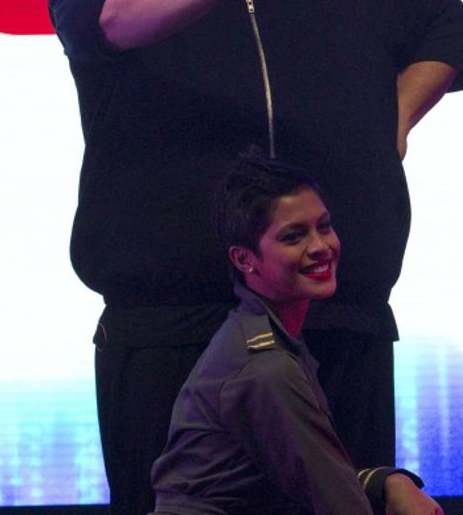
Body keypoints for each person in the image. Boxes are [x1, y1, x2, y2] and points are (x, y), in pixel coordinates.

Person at [49, 0, 463, 513]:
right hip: (169, 323)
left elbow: (446, 24)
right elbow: (107, 18)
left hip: (331, 315)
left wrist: (389, 125)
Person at [151, 152, 443, 515]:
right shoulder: (267, 368)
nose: (320, 247)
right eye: (294, 237)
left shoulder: (259, 332)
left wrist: (387, 481)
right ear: (244, 259)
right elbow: (337, 504)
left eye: (324, 226)